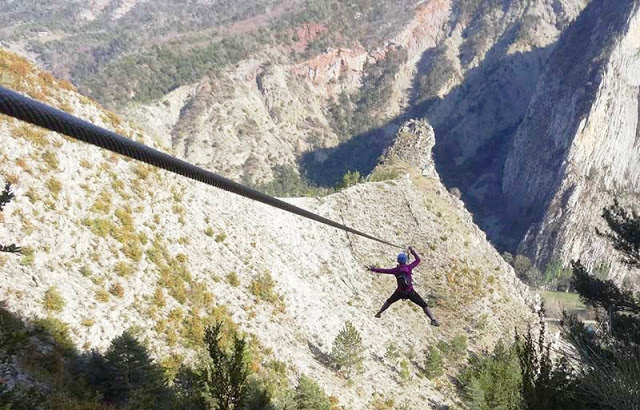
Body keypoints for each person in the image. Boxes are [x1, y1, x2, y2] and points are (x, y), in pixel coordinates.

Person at [368, 247, 440, 326]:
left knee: (389, 301)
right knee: (424, 305)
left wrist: (372, 269)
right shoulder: (409, 268)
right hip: (410, 292)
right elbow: (418, 260)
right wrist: (413, 252)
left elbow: (384, 270)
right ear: (405, 260)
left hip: (400, 292)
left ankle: (379, 313)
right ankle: (432, 319)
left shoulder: (395, 270)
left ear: (398, 261)